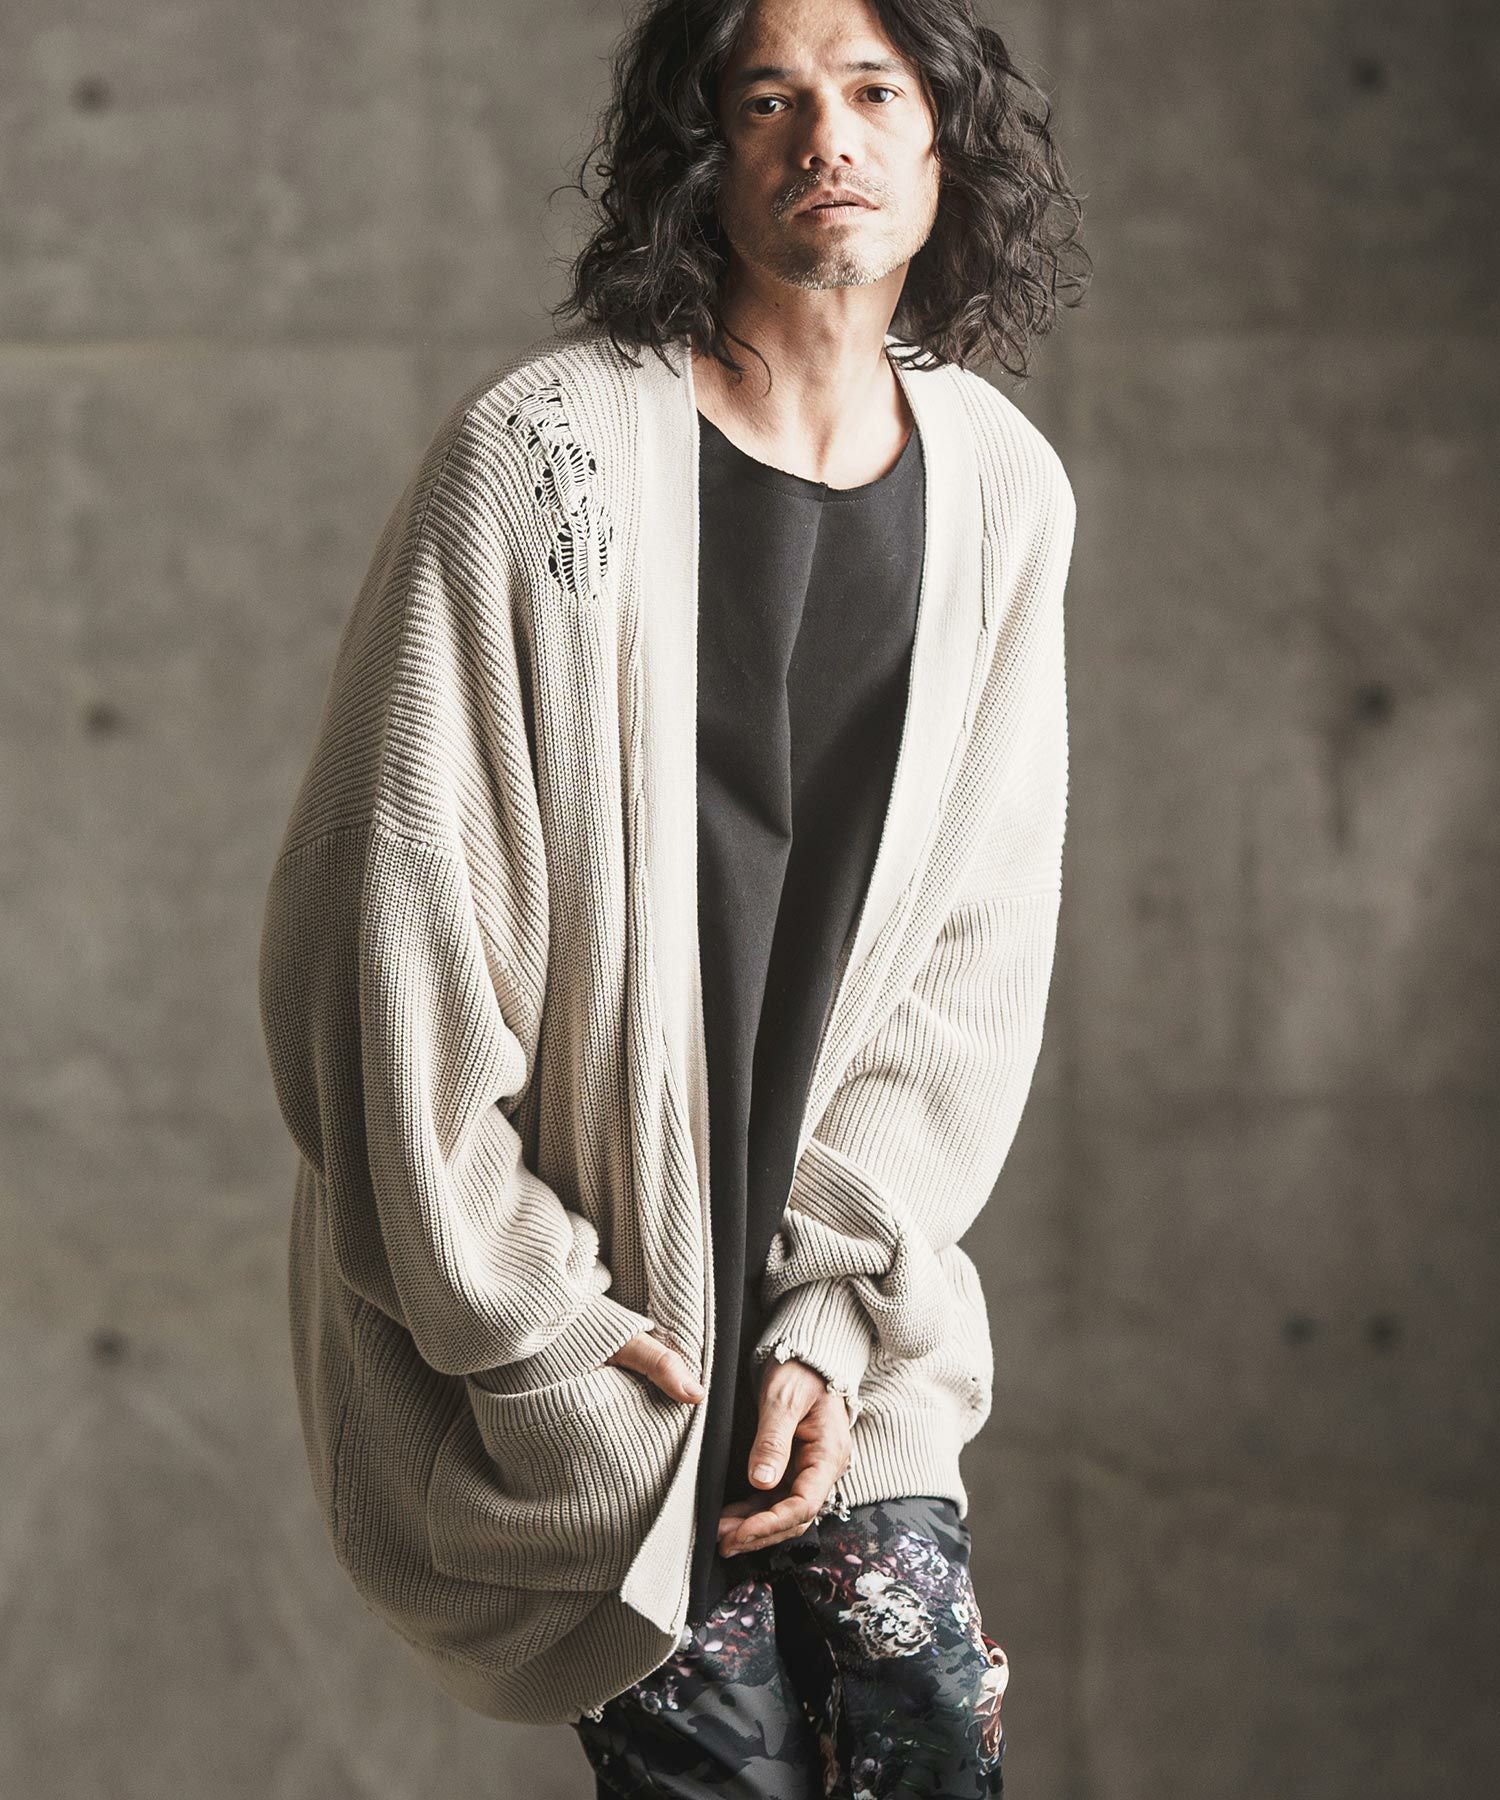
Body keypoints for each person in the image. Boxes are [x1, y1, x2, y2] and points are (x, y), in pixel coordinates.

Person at [256, 0, 1087, 1786]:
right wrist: (543, 1327)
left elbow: (973, 959)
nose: (827, 138)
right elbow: (382, 929)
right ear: (702, 155)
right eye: (768, 97)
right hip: (598, 1345)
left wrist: (833, 1320)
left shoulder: (1005, 492)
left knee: (929, 1735)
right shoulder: (538, 459)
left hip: (838, 1319)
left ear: (944, 141)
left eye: (874, 91)